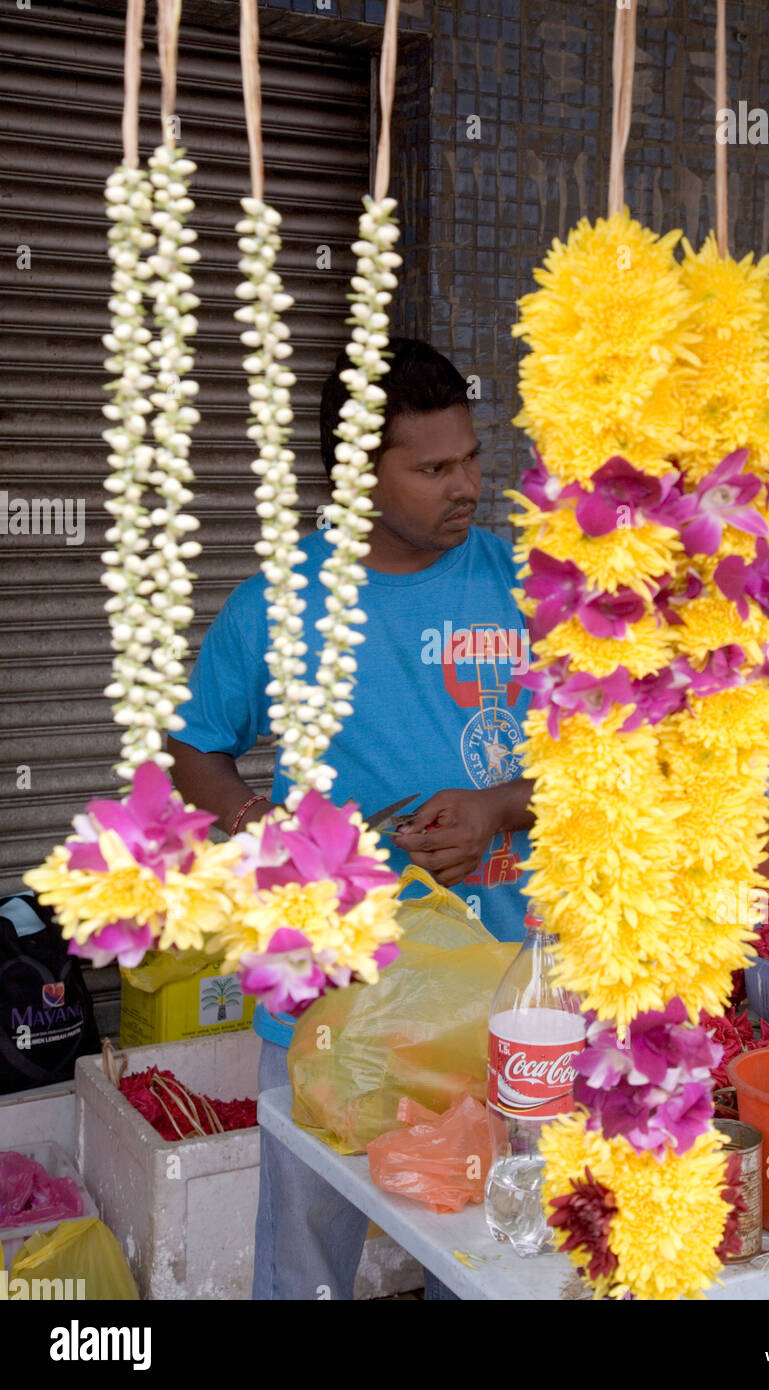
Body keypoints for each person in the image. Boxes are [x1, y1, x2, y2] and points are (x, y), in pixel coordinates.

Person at [168, 338, 535, 1300]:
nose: (467, 486)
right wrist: (270, 827)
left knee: (500, 1245)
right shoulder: (281, 609)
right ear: (357, 478)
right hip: (331, 989)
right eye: (433, 468)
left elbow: (607, 755)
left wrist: (499, 807)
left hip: (511, 986)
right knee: (306, 1250)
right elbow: (192, 743)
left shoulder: (531, 587)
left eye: (470, 457)